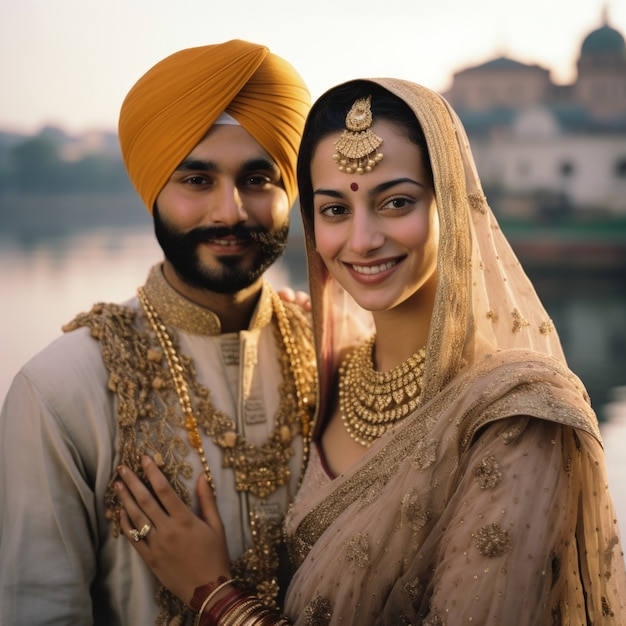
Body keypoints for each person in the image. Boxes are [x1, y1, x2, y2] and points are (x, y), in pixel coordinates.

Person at [115, 78, 626, 624]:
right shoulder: (332, 372)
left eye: (396, 202)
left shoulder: (514, 418)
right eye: (334, 210)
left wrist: (217, 597)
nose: (361, 240)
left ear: (450, 202)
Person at [0, 40, 317, 626]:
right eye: (197, 180)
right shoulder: (61, 390)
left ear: (290, 189)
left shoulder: (343, 360)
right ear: (154, 188)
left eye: (257, 178)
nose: (230, 211)